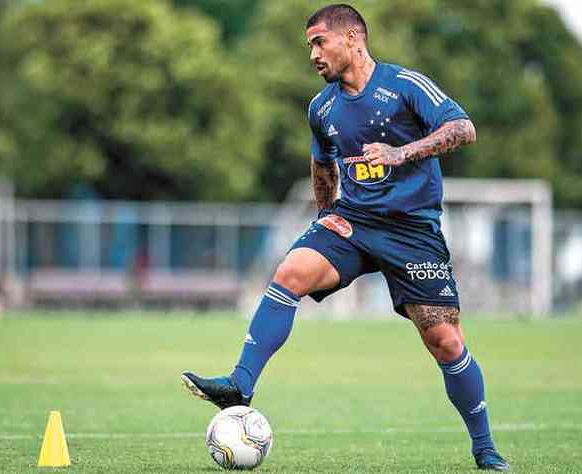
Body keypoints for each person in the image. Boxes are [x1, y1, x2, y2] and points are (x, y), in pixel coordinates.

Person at [182, 4, 508, 471]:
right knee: (291, 271)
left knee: (446, 343)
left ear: (353, 38)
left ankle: (485, 447)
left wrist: (401, 153)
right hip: (353, 222)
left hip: (413, 231)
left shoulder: (404, 86)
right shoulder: (322, 107)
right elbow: (321, 164)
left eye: (319, 42)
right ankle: (240, 383)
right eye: (309, 46)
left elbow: (463, 128)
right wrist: (326, 215)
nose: (313, 54)